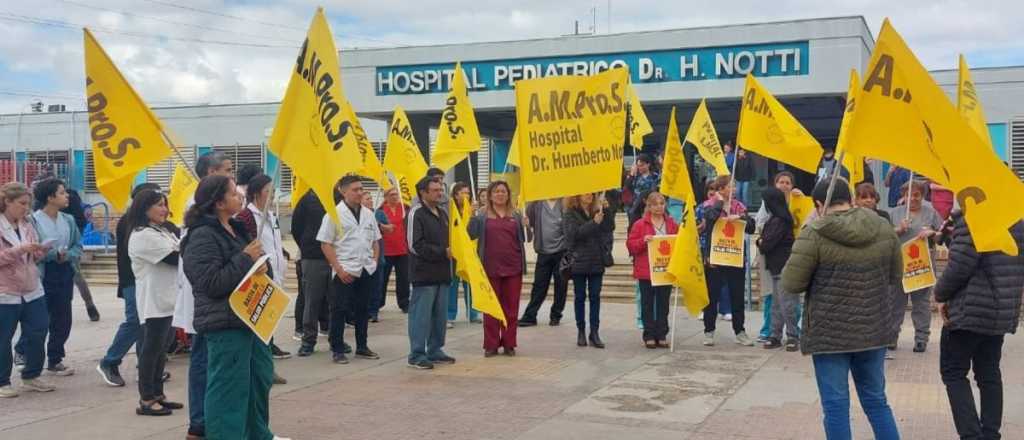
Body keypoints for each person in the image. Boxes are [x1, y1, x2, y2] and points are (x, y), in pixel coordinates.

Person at [782, 178, 901, 440]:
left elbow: (791, 283)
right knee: (876, 401)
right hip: (874, 329)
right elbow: (895, 275)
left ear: (817, 204)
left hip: (829, 334)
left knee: (835, 406)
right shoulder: (882, 226)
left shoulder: (813, 232)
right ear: (851, 198)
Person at [181, 174, 290, 440]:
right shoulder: (202, 236)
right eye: (233, 193)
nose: (240, 196)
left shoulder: (237, 228)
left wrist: (260, 265)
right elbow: (211, 283)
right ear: (219, 202)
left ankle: (258, 433)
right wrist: (245, 259)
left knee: (258, 380)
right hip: (225, 322)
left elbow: (249, 265)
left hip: (252, 319)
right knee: (229, 388)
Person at [934, 209, 1024, 440]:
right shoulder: (1016, 219)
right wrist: (951, 235)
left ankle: (972, 436)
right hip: (1001, 309)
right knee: (989, 374)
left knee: (954, 373)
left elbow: (960, 267)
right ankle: (991, 434)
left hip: (969, 310)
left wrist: (940, 294)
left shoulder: (975, 217)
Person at [172, 151, 232, 440]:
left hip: (220, 306)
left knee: (212, 364)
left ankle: (211, 419)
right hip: (205, 301)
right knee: (202, 361)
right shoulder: (198, 212)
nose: (232, 177)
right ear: (210, 174)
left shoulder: (227, 217)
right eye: (227, 171)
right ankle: (199, 423)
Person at [96, 183, 161, 387]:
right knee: (135, 322)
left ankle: (146, 367)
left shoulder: (147, 223)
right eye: (156, 202)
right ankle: (110, 361)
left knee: (147, 324)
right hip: (133, 281)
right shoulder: (130, 222)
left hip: (145, 281)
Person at [125, 189, 183, 416]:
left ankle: (158, 393)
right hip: (154, 301)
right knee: (151, 350)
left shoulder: (161, 230)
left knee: (162, 351)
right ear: (144, 208)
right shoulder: (142, 235)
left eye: (165, 204)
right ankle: (146, 399)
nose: (164, 209)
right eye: (159, 205)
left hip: (169, 298)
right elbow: (175, 258)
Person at [16, 178, 82, 376]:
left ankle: (55, 358)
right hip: (42, 274)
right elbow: (31, 249)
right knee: (39, 319)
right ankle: (22, 351)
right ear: (50, 197)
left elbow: (78, 246)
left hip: (64, 272)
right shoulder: (32, 221)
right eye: (62, 193)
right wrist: (53, 254)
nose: (66, 196)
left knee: (63, 318)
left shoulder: (68, 220)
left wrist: (68, 255)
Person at [316, 176, 382, 364]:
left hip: (366, 268)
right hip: (345, 269)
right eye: (355, 189)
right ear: (343, 192)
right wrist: (338, 268)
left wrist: (375, 261)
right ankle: (337, 348)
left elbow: (376, 240)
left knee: (363, 309)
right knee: (339, 309)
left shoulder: (369, 213)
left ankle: (362, 346)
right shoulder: (333, 214)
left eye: (361, 189)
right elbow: (325, 244)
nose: (360, 192)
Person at [0, 182, 55, 398]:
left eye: (28, 204)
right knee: (4, 338)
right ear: (7, 202)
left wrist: (39, 251)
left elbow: (30, 253)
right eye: (22, 203)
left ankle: (31, 376)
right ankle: (3, 381)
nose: (26, 208)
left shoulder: (27, 225)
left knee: (39, 330)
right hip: (6, 292)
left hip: (32, 289)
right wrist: (20, 249)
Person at [235, 174, 292, 364]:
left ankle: (266, 359)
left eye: (273, 191)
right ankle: (261, 362)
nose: (273, 194)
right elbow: (247, 245)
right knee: (260, 325)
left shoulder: (271, 215)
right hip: (260, 278)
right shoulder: (246, 217)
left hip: (276, 275)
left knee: (270, 322)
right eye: (269, 191)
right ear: (256, 193)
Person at [469, 181, 526, 357]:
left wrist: (527, 224)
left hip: (513, 267)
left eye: (503, 191)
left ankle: (509, 343)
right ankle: (491, 344)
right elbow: (470, 234)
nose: (500, 194)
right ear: (490, 195)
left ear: (508, 194)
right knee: (491, 308)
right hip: (489, 268)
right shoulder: (481, 215)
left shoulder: (516, 215)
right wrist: (470, 216)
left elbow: (525, 238)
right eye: (496, 191)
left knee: (511, 308)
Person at [699, 175, 756, 347]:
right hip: (716, 256)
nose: (734, 189)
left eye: (735, 186)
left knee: (737, 296)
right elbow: (710, 219)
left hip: (735, 255)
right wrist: (720, 203)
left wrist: (740, 218)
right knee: (712, 295)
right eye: (731, 186)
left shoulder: (739, 206)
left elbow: (752, 227)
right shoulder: (708, 205)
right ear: (721, 189)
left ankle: (740, 331)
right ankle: (709, 331)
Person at [406, 177, 456, 370]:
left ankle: (435, 350)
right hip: (423, 276)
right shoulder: (416, 213)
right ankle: (417, 354)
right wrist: (441, 252)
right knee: (421, 317)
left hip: (442, 274)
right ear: (423, 193)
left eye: (440, 189)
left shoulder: (442, 213)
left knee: (439, 317)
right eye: (434, 190)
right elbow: (414, 245)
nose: (439, 193)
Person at [890, 180, 942, 353]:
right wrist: (898, 229)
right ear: (903, 196)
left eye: (917, 195)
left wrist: (932, 233)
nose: (912, 198)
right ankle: (892, 337)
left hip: (922, 266)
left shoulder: (931, 212)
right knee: (896, 304)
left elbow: (942, 235)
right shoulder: (894, 213)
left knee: (921, 304)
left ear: (922, 196)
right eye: (908, 195)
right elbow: (884, 237)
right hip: (899, 267)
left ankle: (921, 339)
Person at [754, 171, 804, 342]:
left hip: (785, 266)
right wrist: (761, 242)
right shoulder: (773, 218)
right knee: (776, 303)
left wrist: (761, 242)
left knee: (788, 304)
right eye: (780, 182)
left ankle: (792, 335)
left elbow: (767, 243)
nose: (784, 185)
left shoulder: (781, 220)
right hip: (775, 266)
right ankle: (774, 334)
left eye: (787, 182)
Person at [626, 191, 678, 349]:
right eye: (655, 204)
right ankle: (649, 334)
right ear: (648, 206)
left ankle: (661, 334)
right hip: (646, 271)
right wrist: (643, 241)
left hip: (665, 270)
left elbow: (680, 241)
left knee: (663, 303)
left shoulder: (671, 224)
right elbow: (631, 245)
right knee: (647, 303)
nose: (658, 207)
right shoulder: (640, 224)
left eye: (661, 204)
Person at [564, 192, 615, 348]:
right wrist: (593, 223)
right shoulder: (570, 214)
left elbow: (609, 227)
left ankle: (594, 332)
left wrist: (607, 211)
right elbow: (573, 235)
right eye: (586, 193)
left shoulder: (597, 210)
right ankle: (581, 331)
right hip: (579, 261)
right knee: (579, 297)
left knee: (595, 297)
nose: (590, 196)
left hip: (596, 260)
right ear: (577, 196)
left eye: (592, 193)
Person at [292, 187, 337, 358]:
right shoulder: (306, 199)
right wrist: (307, 245)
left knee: (336, 301)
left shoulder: (338, 198)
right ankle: (308, 341)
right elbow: (296, 227)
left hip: (335, 255)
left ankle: (336, 339)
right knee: (311, 300)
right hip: (313, 257)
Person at [519, 198, 569, 327]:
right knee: (539, 285)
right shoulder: (536, 203)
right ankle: (530, 316)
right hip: (543, 251)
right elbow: (527, 221)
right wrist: (525, 223)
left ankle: (556, 315)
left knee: (561, 285)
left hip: (561, 251)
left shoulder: (565, 202)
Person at [61, 188, 99, 322]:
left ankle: (90, 305)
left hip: (70, 247)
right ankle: (89, 306)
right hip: (61, 249)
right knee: (77, 278)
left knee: (77, 276)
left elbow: (81, 222)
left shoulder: (70, 201)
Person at [446, 182, 478, 327]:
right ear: (456, 194)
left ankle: (473, 314)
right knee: (452, 286)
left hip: (469, 253)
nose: (466, 196)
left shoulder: (471, 210)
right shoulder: (450, 209)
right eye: (463, 193)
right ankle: (449, 315)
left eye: (468, 193)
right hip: (454, 253)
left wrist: (473, 214)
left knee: (470, 285)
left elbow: (473, 231)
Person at [376, 187, 410, 314]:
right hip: (386, 250)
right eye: (392, 195)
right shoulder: (380, 210)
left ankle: (404, 303)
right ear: (386, 197)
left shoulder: (405, 208)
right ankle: (378, 303)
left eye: (396, 194)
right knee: (382, 278)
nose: (395, 197)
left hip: (402, 249)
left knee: (403, 278)